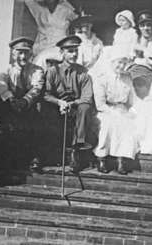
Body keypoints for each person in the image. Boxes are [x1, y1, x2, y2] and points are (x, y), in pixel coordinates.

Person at [0, 37, 45, 171]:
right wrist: (11, 99)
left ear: (30, 54)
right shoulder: (6, 69)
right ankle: (8, 143)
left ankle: (35, 156)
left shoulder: (37, 70)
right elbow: (0, 84)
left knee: (38, 111)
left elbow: (36, 88)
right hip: (12, 105)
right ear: (13, 54)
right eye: (19, 53)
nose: (23, 56)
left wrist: (25, 101)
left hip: (28, 105)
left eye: (26, 53)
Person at [43, 35, 94, 173]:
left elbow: (87, 97)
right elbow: (46, 94)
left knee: (85, 108)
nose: (74, 54)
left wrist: (71, 104)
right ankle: (52, 153)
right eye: (70, 51)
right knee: (46, 110)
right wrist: (60, 102)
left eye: (76, 51)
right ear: (62, 53)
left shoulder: (83, 73)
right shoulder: (53, 71)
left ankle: (75, 151)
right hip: (57, 107)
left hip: (76, 107)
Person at [93, 50, 138, 175]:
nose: (121, 66)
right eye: (119, 63)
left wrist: (132, 111)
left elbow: (131, 100)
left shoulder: (127, 78)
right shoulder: (102, 78)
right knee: (108, 124)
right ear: (112, 62)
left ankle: (121, 160)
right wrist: (113, 112)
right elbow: (100, 104)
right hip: (106, 110)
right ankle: (101, 157)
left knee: (128, 124)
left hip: (122, 109)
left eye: (124, 63)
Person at [127, 10, 152, 100]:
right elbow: (128, 58)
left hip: (148, 73)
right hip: (131, 71)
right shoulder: (135, 39)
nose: (145, 28)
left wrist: (145, 51)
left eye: (148, 25)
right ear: (139, 27)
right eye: (142, 25)